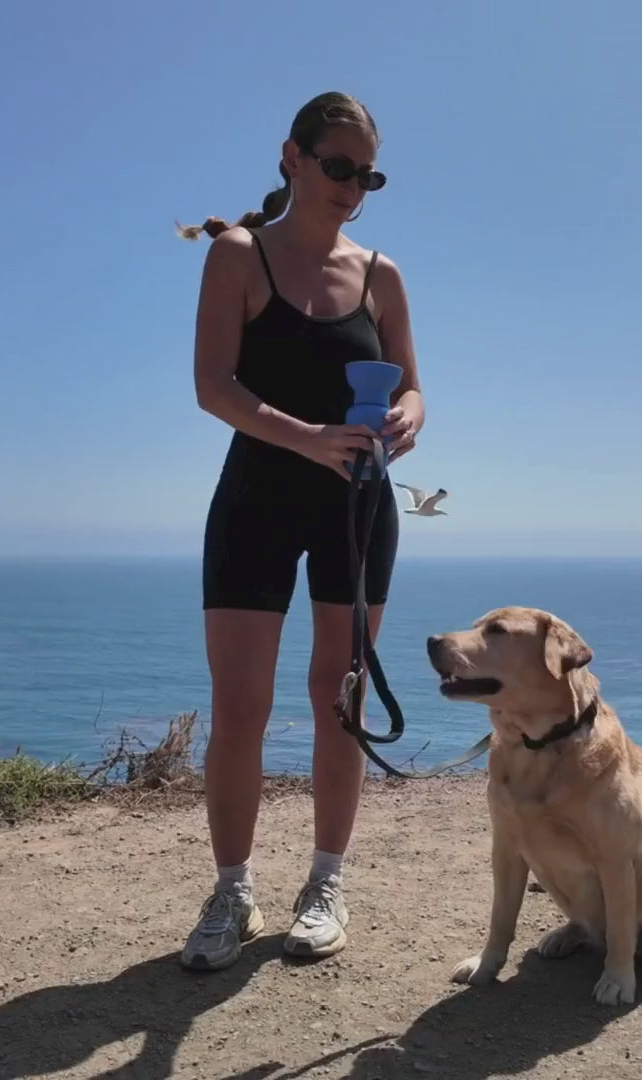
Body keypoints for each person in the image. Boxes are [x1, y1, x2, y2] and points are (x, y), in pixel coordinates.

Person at [176, 91, 424, 971]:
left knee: (341, 699)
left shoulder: (380, 273)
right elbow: (213, 387)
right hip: (257, 499)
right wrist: (309, 437)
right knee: (240, 708)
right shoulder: (240, 255)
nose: (353, 187)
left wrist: (403, 422)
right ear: (292, 156)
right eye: (339, 167)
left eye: (368, 174)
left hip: (358, 505)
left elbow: (415, 391)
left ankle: (325, 885)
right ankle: (232, 891)